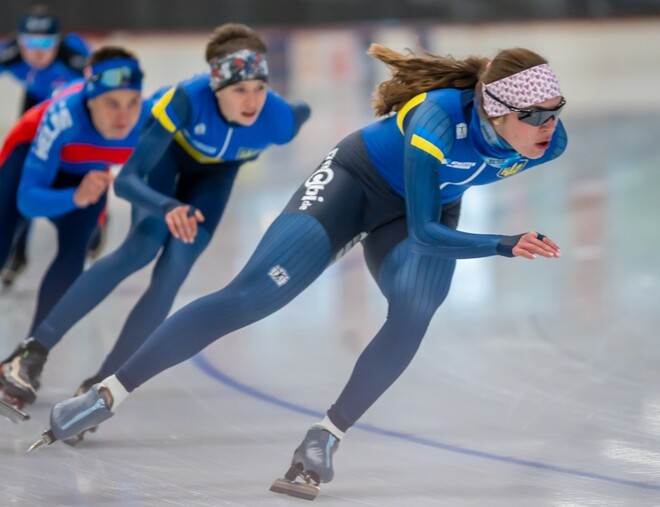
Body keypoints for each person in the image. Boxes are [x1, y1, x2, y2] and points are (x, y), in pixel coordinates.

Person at [35, 44, 567, 498]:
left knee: (415, 310)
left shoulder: (547, 146)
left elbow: (428, 217)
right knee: (252, 296)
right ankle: (105, 395)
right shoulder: (436, 118)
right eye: (537, 116)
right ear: (494, 110)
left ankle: (325, 437)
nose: (550, 127)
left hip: (419, 208)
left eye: (556, 111)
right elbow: (428, 231)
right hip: (354, 185)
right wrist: (503, 242)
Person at [1, 23, 310, 412]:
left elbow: (303, 111)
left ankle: (104, 385)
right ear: (215, 86)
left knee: (174, 270)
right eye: (239, 90)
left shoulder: (278, 120)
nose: (251, 102)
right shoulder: (183, 101)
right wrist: (167, 206)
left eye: (259, 89)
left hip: (216, 177)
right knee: (141, 247)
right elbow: (127, 181)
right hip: (166, 161)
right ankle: (31, 352)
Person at [0, 45, 150, 407]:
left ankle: (27, 361)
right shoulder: (63, 117)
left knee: (74, 252)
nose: (124, 115)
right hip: (27, 161)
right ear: (90, 97)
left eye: (132, 102)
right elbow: (27, 201)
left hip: (87, 174)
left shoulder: (147, 121)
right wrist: (74, 197)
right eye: (112, 103)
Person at [0, 6, 93, 285]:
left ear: (58, 42)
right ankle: (17, 253)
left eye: (45, 44)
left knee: (68, 174)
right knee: (20, 180)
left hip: (72, 110)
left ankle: (93, 220)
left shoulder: (74, 54)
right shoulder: (10, 52)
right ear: (19, 41)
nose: (37, 52)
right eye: (30, 43)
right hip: (35, 106)